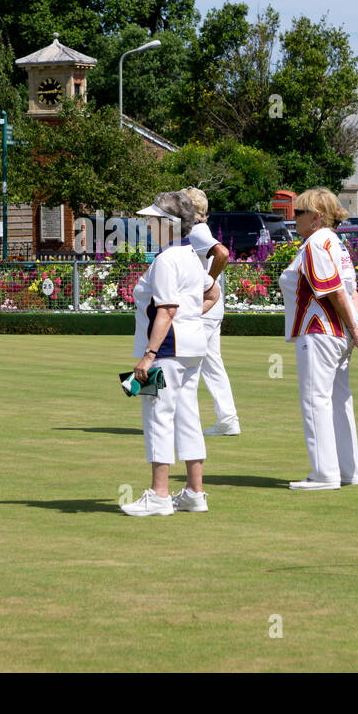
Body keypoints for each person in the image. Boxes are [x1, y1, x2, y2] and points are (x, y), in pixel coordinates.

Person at [121, 191, 220, 517]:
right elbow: (213, 292)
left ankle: (159, 495)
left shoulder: (165, 260)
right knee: (188, 416)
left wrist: (149, 355)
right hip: (192, 347)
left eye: (153, 220)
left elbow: (166, 310)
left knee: (158, 416)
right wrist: (191, 318)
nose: (149, 225)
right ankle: (194, 492)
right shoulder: (190, 255)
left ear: (169, 224)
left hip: (168, 349)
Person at [279, 187, 358, 489]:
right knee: (340, 402)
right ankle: (347, 471)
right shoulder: (336, 243)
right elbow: (351, 291)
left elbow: (336, 292)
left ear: (316, 217)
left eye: (299, 213)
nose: (294, 218)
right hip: (338, 334)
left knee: (315, 401)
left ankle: (324, 474)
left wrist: (355, 328)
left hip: (319, 331)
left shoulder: (316, 244)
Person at [180, 187, 241, 436]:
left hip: (204, 307)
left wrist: (208, 282)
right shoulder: (196, 230)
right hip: (210, 308)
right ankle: (227, 420)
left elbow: (223, 253)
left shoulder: (197, 231)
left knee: (187, 362)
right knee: (211, 365)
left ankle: (184, 421)